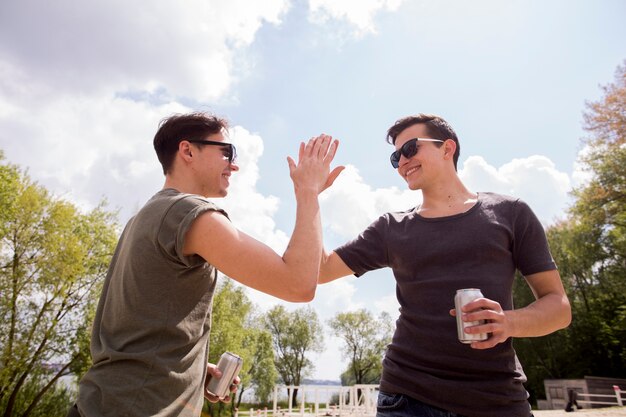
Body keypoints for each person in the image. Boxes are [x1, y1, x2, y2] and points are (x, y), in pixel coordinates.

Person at [67, 112, 343, 417]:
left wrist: (192, 370)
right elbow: (298, 284)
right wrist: (308, 191)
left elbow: (139, 328)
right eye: (227, 151)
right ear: (187, 151)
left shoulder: (146, 216)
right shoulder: (185, 212)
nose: (234, 164)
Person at [318, 114, 572, 417]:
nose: (402, 162)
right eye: (395, 156)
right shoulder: (390, 228)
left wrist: (508, 322)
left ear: (447, 148)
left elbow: (558, 307)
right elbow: (319, 271)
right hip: (406, 399)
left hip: (497, 399)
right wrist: (309, 195)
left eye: (410, 148)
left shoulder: (511, 214)